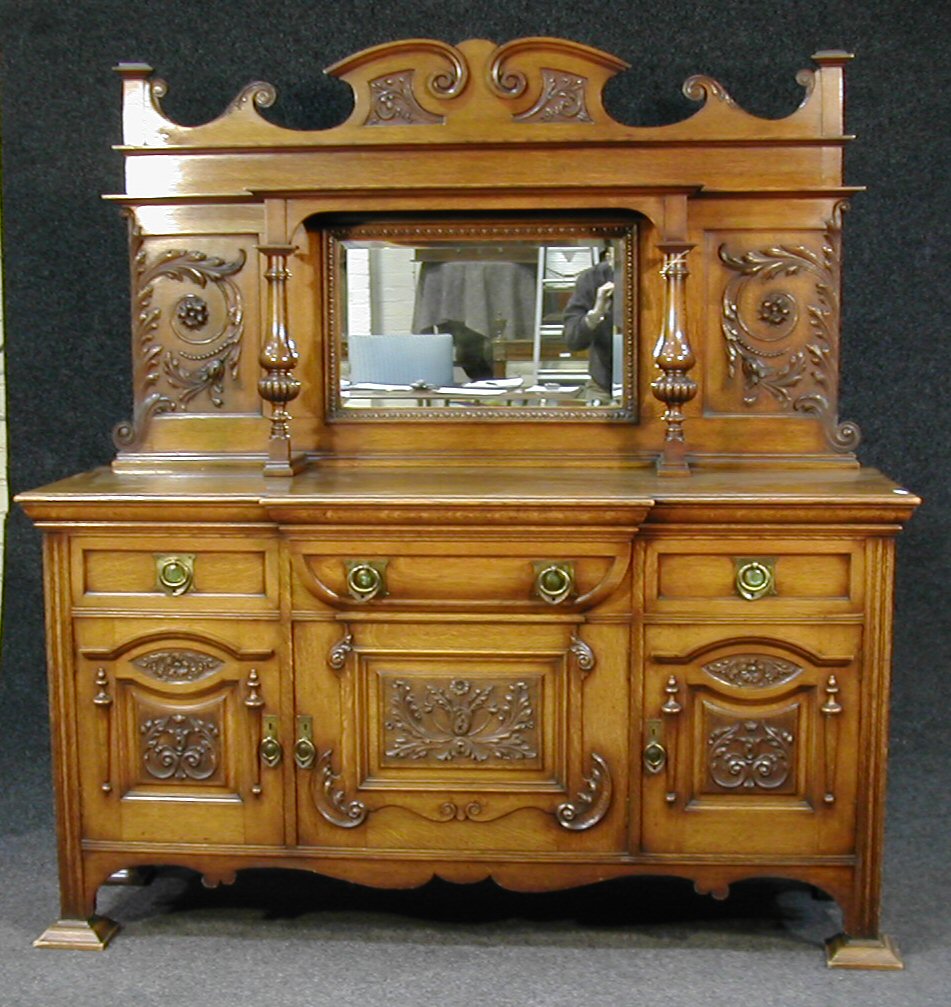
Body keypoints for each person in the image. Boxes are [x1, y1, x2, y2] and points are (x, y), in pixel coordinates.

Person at [562, 247, 616, 393]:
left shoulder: (658, 278)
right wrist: (596, 314)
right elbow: (573, 341)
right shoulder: (592, 278)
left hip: (653, 383)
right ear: (609, 256)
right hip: (603, 384)